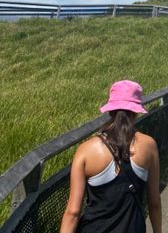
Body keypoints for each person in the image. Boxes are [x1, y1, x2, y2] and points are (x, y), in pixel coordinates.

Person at [60, 80, 162, 233]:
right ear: (136, 111)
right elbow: (154, 202)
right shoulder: (149, 146)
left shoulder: (86, 150)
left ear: (110, 111)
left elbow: (73, 212)